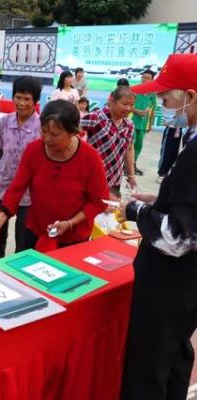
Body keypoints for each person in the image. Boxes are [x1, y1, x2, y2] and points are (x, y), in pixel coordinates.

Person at [119, 53, 197, 400]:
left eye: (166, 98)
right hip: (186, 286)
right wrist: (160, 198)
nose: (162, 105)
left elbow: (178, 238)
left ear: (190, 97)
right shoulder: (190, 142)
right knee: (175, 360)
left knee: (148, 369)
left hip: (169, 285)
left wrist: (134, 209)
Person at [0, 100, 108, 252]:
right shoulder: (34, 150)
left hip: (73, 237)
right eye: (44, 131)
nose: (47, 138)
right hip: (36, 231)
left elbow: (98, 201)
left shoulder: (90, 158)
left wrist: (70, 223)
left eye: (54, 134)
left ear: (74, 132)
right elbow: (16, 190)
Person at [0, 76, 42, 264]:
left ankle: (19, 280)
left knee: (24, 244)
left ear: (35, 101)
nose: (21, 103)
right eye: (18, 97)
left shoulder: (42, 127)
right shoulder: (4, 122)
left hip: (28, 196)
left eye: (27, 99)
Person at [80, 86, 136, 198]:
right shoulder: (95, 118)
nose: (128, 108)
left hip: (115, 180)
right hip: (91, 178)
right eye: (125, 104)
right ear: (112, 101)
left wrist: (131, 175)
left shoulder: (129, 125)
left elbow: (129, 149)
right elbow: (72, 134)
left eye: (131, 105)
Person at [131, 69, 157, 176]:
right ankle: (126, 166)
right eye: (143, 77)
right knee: (130, 145)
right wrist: (139, 112)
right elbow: (127, 105)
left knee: (138, 146)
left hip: (143, 125)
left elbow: (153, 110)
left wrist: (150, 125)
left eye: (148, 78)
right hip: (131, 122)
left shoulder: (152, 95)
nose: (145, 79)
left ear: (152, 80)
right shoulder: (134, 90)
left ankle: (133, 165)